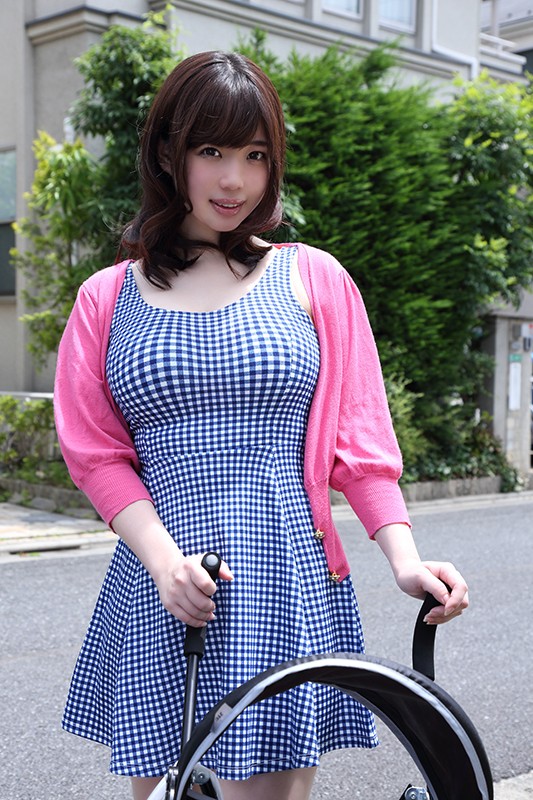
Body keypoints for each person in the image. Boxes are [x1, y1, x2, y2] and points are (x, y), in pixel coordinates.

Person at [54, 51, 469, 800]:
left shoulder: (312, 277)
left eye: (254, 155)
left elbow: (360, 442)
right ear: (168, 154)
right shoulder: (107, 297)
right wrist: (165, 566)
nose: (234, 180)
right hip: (164, 583)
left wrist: (404, 559)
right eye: (211, 151)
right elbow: (96, 454)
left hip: (284, 580)